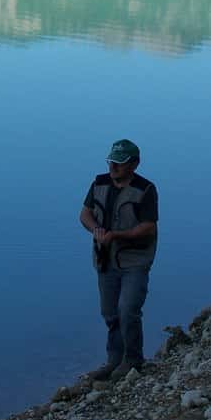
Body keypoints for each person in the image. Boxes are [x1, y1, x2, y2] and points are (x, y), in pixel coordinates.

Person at [79, 139, 158, 381]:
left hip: (135, 261)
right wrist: (96, 230)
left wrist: (117, 235)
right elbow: (85, 214)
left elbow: (148, 228)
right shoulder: (99, 183)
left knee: (128, 310)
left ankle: (133, 360)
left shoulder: (145, 190)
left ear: (134, 164)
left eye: (119, 163)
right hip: (105, 260)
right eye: (111, 161)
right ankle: (114, 360)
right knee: (110, 313)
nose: (113, 167)